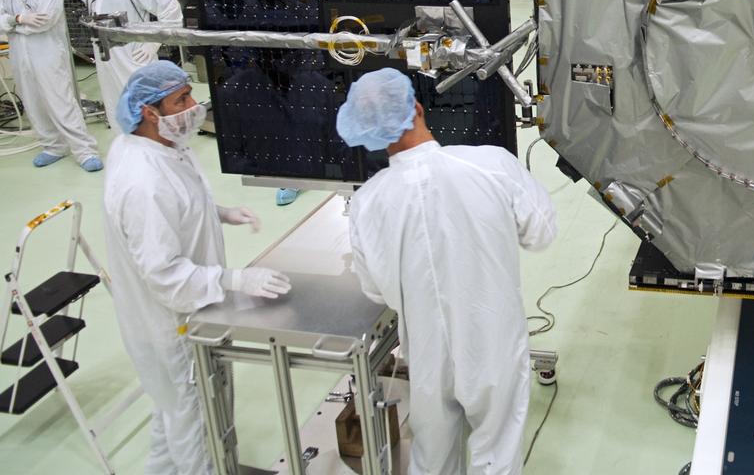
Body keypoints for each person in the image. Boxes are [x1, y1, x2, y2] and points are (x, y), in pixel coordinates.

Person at [337, 68, 557, 475]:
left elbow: (376, 291)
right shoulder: (492, 165)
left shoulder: (367, 203)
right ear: (417, 108)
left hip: (425, 352)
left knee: (432, 458)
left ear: (367, 132)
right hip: (492, 343)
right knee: (497, 452)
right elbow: (541, 235)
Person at [102, 60, 291, 474]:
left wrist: (218, 212)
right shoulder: (143, 181)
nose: (192, 105)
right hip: (172, 325)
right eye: (180, 100)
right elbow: (164, 275)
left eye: (189, 94)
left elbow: (178, 208)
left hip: (179, 315)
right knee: (195, 423)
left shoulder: (154, 145)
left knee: (172, 415)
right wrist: (237, 279)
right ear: (149, 112)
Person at [1, 0, 102, 170]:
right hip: (20, 55)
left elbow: (45, 21)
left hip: (46, 53)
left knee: (61, 101)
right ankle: (52, 146)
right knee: (32, 101)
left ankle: (84, 151)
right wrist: (18, 19)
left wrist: (12, 23)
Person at [78, 0, 182, 133]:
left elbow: (171, 10)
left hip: (134, 54)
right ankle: (126, 148)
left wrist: (152, 44)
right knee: (115, 104)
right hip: (105, 53)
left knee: (144, 106)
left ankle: (156, 151)